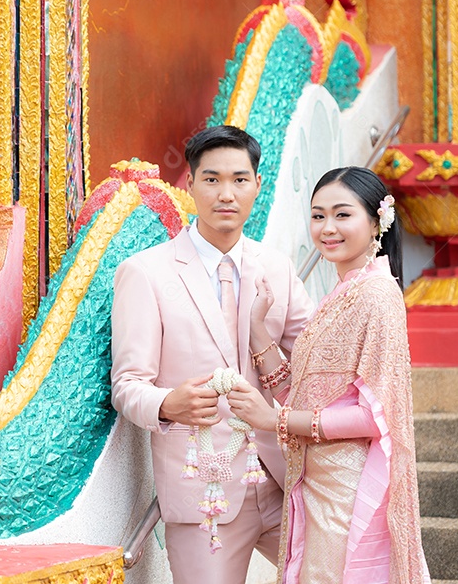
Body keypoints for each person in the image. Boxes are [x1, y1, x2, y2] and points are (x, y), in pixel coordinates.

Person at [111, 126, 315, 584]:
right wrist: (167, 404)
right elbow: (127, 385)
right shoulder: (145, 272)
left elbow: (318, 363)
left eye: (240, 180)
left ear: (258, 185)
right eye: (212, 179)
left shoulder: (276, 268)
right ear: (189, 183)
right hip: (203, 491)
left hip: (284, 480)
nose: (227, 193)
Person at [227, 166, 430, 584]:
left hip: (348, 490)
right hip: (317, 483)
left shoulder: (376, 295)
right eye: (318, 216)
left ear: (376, 221)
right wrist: (257, 329)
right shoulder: (343, 291)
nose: (328, 228)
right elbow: (301, 393)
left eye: (342, 215)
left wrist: (272, 422)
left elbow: (374, 416)